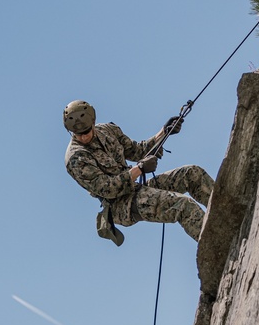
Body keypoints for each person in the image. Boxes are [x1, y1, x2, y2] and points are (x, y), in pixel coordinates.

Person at [63, 100, 215, 246]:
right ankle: (216, 246)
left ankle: (228, 212)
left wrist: (163, 132)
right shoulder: (76, 158)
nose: (83, 137)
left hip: (137, 188)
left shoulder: (107, 130)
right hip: (121, 204)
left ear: (93, 122)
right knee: (182, 205)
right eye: (77, 134)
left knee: (192, 173)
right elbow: (107, 188)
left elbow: (137, 151)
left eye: (86, 131)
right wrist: (139, 169)